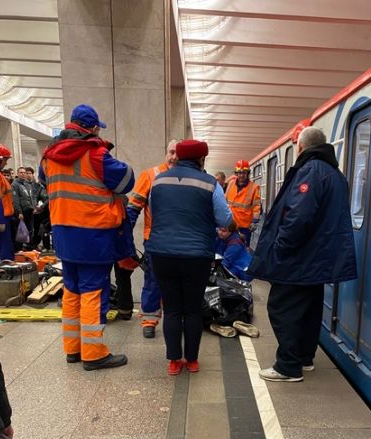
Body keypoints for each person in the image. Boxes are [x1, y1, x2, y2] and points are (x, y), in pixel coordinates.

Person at [248, 126, 357, 382]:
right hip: (318, 259)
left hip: (300, 257)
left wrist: (281, 246)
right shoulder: (335, 174)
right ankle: (305, 358)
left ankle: (287, 366)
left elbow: (299, 215)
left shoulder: (310, 171)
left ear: (300, 147)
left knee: (281, 307)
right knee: (309, 309)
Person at [39, 104, 135, 371]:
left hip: (62, 232)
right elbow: (127, 180)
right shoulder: (95, 154)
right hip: (93, 233)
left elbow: (43, 180)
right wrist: (104, 150)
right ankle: (93, 353)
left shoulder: (48, 156)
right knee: (94, 290)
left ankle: (73, 348)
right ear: (92, 128)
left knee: (72, 289)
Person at [146, 139, 232, 375]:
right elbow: (224, 219)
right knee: (192, 309)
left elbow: (154, 211)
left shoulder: (159, 180)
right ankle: (192, 361)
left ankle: (174, 361)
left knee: (172, 309)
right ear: (201, 159)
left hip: (162, 253)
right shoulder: (210, 183)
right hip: (197, 255)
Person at [126, 139, 179, 338]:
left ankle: (176, 320)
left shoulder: (188, 178)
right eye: (171, 152)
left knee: (177, 283)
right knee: (153, 281)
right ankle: (149, 320)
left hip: (180, 242)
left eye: (178, 153)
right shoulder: (150, 175)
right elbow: (133, 208)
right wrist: (125, 238)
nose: (174, 157)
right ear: (166, 153)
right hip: (154, 241)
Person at [225, 160, 261, 246]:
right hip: (230, 224)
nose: (241, 175)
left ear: (248, 173)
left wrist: (254, 222)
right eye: (239, 173)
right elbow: (224, 200)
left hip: (244, 226)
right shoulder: (230, 184)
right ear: (236, 173)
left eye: (244, 173)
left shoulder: (254, 187)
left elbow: (256, 206)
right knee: (228, 246)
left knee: (243, 248)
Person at [0, 144, 15, 260]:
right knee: (5, 248)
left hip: (1, 217)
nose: (6, 163)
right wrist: (0, 220)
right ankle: (8, 271)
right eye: (5, 160)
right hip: (0, 218)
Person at [12, 166, 36, 249]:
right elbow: (15, 200)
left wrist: (34, 207)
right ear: (17, 174)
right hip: (22, 212)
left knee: (30, 230)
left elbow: (32, 197)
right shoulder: (15, 185)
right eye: (21, 172)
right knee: (20, 231)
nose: (23, 174)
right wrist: (19, 212)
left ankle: (29, 248)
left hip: (30, 210)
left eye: (24, 173)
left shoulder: (27, 184)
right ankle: (18, 249)